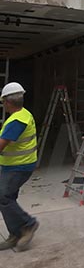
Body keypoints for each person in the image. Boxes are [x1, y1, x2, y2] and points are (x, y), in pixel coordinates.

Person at [0, 82, 39, 251]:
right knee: (8, 198)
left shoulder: (17, 121)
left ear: (8, 102)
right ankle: (16, 234)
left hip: (19, 167)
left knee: (3, 197)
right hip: (15, 165)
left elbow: (2, 144)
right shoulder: (23, 114)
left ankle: (28, 224)